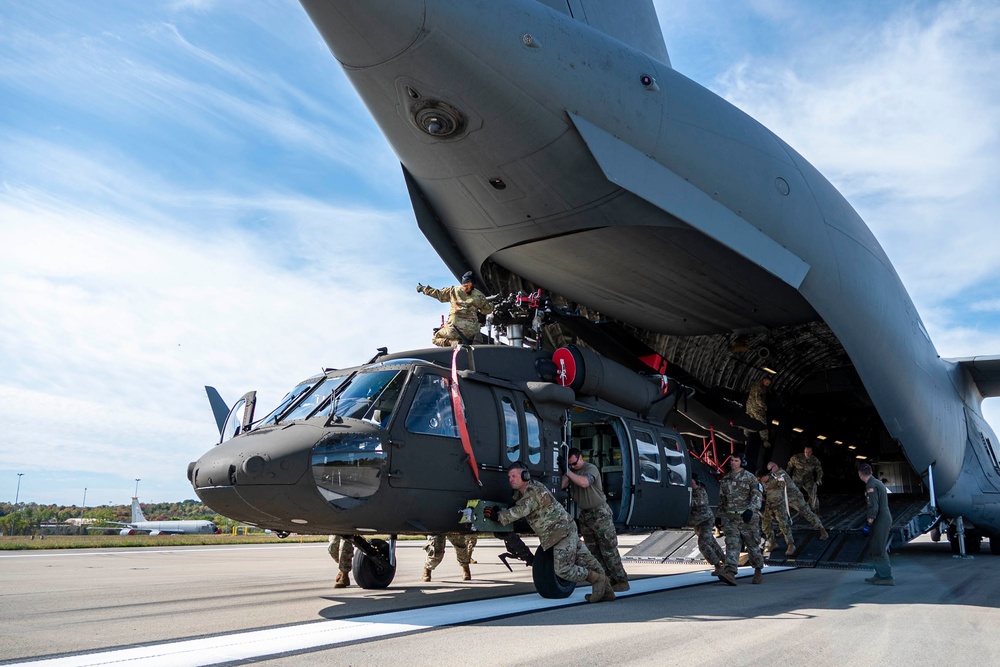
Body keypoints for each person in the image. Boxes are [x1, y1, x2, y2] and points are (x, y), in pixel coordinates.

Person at [484, 462, 613, 602]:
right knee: (589, 561)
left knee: (563, 569)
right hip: (564, 530)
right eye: (509, 476)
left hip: (560, 533)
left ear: (525, 476)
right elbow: (517, 505)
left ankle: (596, 578)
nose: (511, 479)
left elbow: (521, 510)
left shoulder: (534, 491)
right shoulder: (521, 493)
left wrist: (497, 516)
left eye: (514, 476)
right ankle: (607, 592)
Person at [561, 447, 629, 592]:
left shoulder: (590, 468)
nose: (573, 466)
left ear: (581, 458)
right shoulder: (572, 472)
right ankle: (607, 581)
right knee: (593, 551)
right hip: (585, 515)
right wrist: (565, 472)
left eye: (574, 463)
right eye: (570, 464)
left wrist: (568, 471)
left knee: (608, 549)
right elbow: (562, 485)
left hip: (600, 513)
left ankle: (621, 580)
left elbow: (585, 482)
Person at [717, 453, 764, 586]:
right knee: (732, 544)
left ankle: (758, 570)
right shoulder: (725, 479)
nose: (733, 463)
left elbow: (757, 495)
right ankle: (730, 573)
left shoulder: (750, 478)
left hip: (747, 517)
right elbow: (722, 499)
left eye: (736, 461)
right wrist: (719, 516)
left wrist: (751, 509)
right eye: (731, 460)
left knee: (752, 545)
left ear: (742, 462)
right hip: (731, 518)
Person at [417, 271, 493, 347]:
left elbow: (438, 294)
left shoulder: (453, 290)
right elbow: (487, 310)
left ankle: (452, 343)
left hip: (454, 329)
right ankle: (475, 343)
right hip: (471, 331)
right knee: (477, 332)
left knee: (435, 338)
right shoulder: (479, 295)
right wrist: (491, 304)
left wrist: (423, 288)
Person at [859, 463, 893, 585]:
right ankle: (879, 574)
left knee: (878, 548)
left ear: (860, 474)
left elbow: (873, 507)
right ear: (871, 472)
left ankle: (886, 577)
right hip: (883, 518)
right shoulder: (878, 482)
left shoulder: (871, 486)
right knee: (875, 546)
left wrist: (869, 523)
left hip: (880, 520)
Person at [689, 473, 725, 576]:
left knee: (703, 545)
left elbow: (699, 502)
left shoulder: (700, 491)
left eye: (692, 482)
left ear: (696, 482)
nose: (690, 484)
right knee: (711, 542)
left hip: (705, 521)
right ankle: (725, 560)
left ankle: (718, 565)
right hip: (698, 523)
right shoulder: (690, 492)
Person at [787, 445, 823, 511]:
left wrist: (819, 479)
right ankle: (787, 509)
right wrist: (787, 477)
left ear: (812, 452)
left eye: (809, 452)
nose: (807, 453)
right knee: (791, 494)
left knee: (813, 494)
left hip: (808, 480)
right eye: (806, 452)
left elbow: (819, 470)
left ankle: (816, 511)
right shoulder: (796, 458)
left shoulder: (814, 460)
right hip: (797, 479)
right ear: (804, 451)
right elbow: (789, 467)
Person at [745, 376, 772, 447]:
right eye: (767, 383)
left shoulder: (756, 384)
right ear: (764, 380)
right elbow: (758, 399)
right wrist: (764, 406)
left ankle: (745, 438)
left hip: (749, 406)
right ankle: (765, 440)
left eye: (768, 384)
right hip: (756, 408)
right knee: (763, 422)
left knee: (747, 422)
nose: (767, 384)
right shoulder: (759, 387)